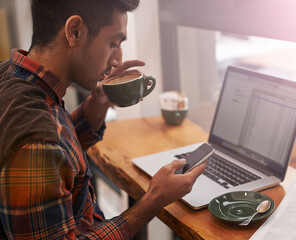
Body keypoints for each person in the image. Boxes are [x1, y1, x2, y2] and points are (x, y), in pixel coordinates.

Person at [0, 0, 206, 239]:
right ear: (74, 31)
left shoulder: (11, 75)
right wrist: (153, 200)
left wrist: (97, 104)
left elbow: (59, 154)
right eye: (113, 43)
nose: (117, 61)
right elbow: (45, 149)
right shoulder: (36, 144)